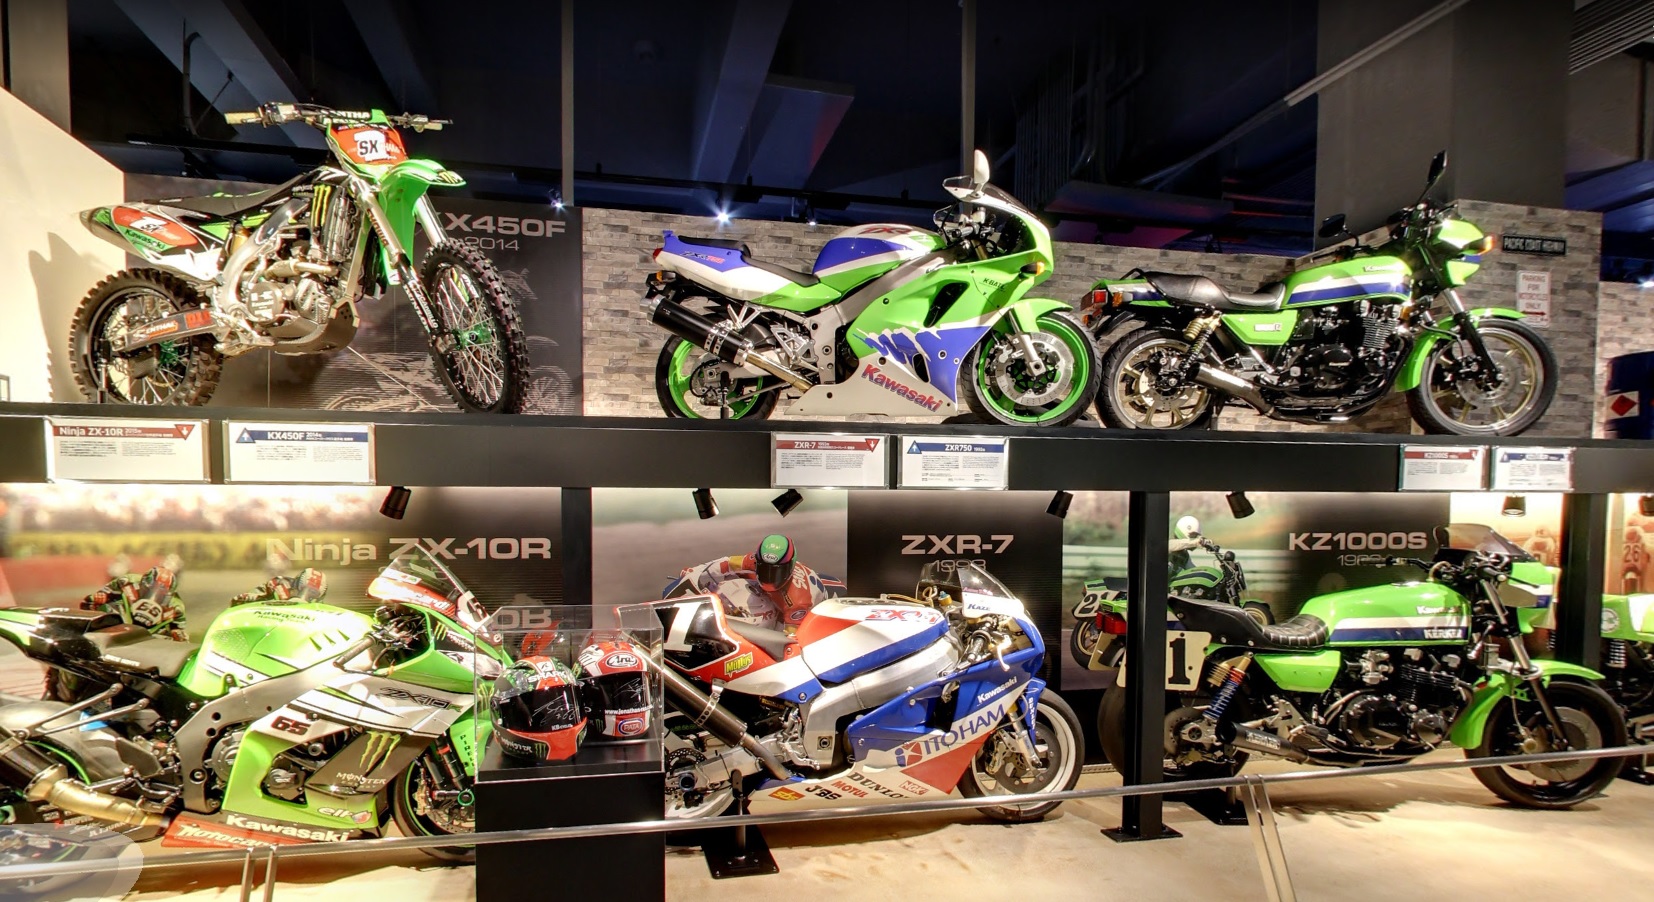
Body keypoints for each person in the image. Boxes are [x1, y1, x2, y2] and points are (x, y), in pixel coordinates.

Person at [671, 535, 842, 632]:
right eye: (764, 568)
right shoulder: (754, 560)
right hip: (781, 595)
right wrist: (696, 572)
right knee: (734, 574)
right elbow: (725, 564)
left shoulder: (798, 602)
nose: (769, 576)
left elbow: (790, 644)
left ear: (788, 568)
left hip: (807, 612)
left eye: (775, 571)